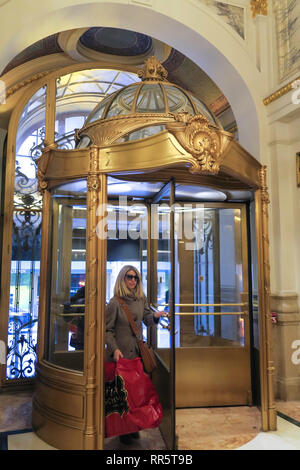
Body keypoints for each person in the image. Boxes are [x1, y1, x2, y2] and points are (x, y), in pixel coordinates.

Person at [105, 265, 166, 445]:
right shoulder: (115, 302)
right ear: (122, 279)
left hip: (137, 353)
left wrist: (156, 316)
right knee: (125, 395)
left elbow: (147, 319)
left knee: (137, 393)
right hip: (120, 356)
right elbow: (107, 330)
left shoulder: (141, 299)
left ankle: (134, 426)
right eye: (129, 277)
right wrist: (114, 349)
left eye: (136, 278)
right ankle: (125, 429)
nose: (133, 280)